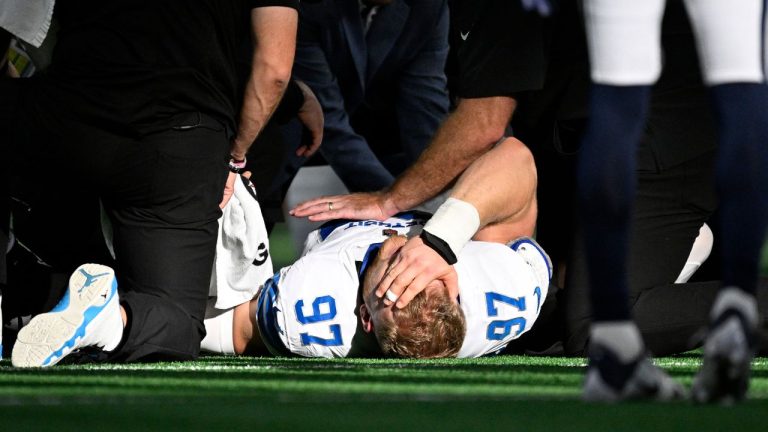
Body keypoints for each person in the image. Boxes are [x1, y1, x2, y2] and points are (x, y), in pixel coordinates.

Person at [4, 0, 298, 367]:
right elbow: (274, 69)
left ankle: (22, 292)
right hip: (180, 136)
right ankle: (110, 320)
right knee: (176, 321)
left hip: (70, 111)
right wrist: (235, 156)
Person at [573, 0, 768, 403]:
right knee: (742, 83)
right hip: (700, 134)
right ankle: (739, 304)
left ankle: (616, 344)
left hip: (670, 143)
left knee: (617, 93)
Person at [201, 137, 552, 359]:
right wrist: (441, 240)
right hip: (424, 191)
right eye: (432, 281)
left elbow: (225, 330)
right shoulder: (502, 297)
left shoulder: (312, 311)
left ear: (366, 318)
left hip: (323, 217)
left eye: (398, 283)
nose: (413, 263)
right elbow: (515, 156)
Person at [279, 0, 450, 193]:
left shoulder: (429, 7)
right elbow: (326, 115)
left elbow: (424, 111)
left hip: (387, 143)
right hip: (298, 138)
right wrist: (391, 200)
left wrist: (439, 194)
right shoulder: (307, 6)